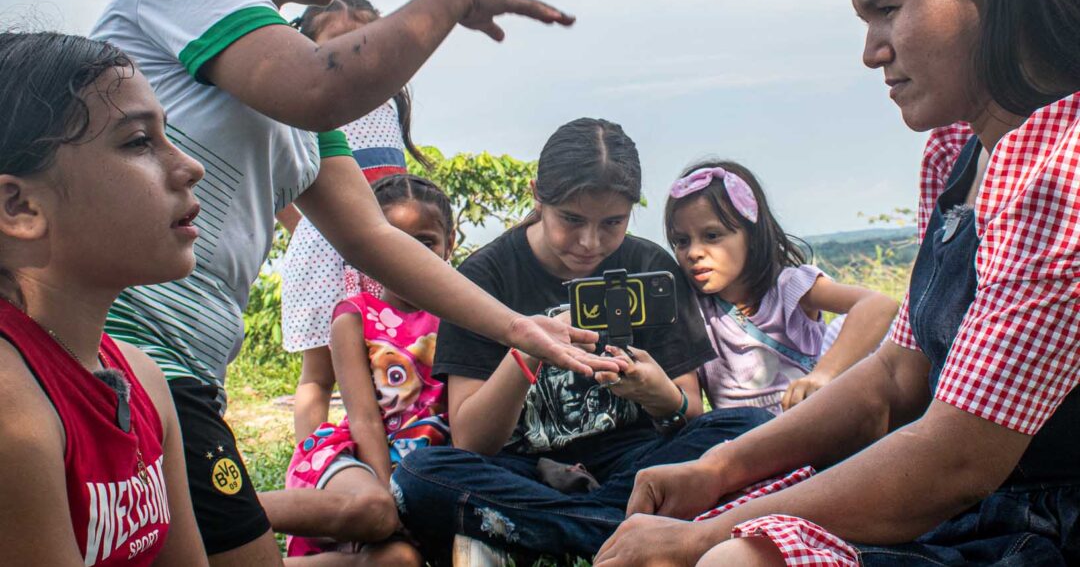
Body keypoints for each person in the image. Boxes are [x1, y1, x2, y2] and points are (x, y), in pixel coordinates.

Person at [90, 0, 614, 564]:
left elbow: (373, 239)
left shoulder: (291, 106)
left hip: (185, 372)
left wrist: (516, 326)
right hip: (118, 351)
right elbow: (319, 83)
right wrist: (448, 1)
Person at [594, 0, 1080, 564]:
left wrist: (700, 535)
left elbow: (953, 457)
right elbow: (893, 376)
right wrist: (719, 469)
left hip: (1042, 530)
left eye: (886, 9)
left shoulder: (1062, 174)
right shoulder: (962, 153)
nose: (870, 51)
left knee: (738, 556)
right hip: (977, 515)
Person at [392, 118, 774, 564]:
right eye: (571, 220)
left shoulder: (650, 267)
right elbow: (473, 440)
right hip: (525, 470)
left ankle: (558, 531)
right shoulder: (484, 278)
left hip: (638, 464)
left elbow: (689, 412)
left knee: (749, 427)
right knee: (419, 475)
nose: (590, 242)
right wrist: (527, 350)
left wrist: (661, 396)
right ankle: (623, 532)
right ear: (537, 194)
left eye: (612, 222)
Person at [0, 32, 208, 565]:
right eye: (139, 142)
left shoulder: (143, 380)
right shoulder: (11, 407)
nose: (190, 167)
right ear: (19, 206)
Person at [272, 174, 454, 564]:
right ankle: (223, 514)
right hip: (360, 459)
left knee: (402, 560)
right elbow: (364, 419)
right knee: (375, 508)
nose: (409, 256)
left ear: (449, 245)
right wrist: (390, 484)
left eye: (425, 242)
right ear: (368, 249)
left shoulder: (461, 316)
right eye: (394, 242)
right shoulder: (355, 318)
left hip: (429, 465)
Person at [278, 0, 426, 443]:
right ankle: (313, 457)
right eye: (339, 43)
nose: (355, 51)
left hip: (381, 249)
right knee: (320, 371)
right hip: (324, 253)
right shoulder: (303, 107)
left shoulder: (385, 101)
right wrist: (305, 230)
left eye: (365, 39)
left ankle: (386, 446)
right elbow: (278, 180)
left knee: (388, 356)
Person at [664, 160, 897, 414]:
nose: (694, 252)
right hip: (741, 440)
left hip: (810, 423)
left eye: (712, 236)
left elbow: (879, 306)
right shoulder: (691, 310)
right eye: (681, 241)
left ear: (752, 236)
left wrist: (822, 376)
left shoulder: (789, 287)